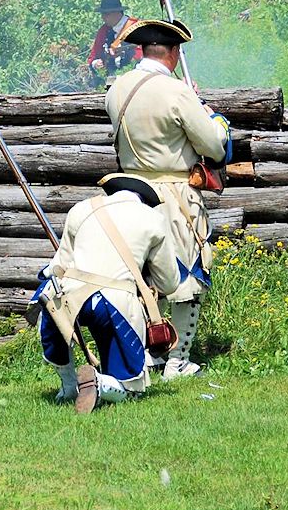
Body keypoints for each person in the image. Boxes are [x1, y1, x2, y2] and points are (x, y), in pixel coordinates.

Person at [105, 19, 231, 380]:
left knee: (143, 277)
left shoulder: (117, 89)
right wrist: (209, 112)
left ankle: (148, 354)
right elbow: (214, 145)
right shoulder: (177, 92)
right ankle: (177, 359)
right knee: (189, 276)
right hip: (173, 196)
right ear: (173, 53)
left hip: (129, 193)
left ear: (143, 51)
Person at [32, 174, 179, 412]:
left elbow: (58, 266)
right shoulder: (153, 219)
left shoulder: (81, 209)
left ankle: (68, 386)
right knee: (131, 387)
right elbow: (169, 282)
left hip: (69, 299)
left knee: (50, 303)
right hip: (116, 303)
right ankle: (100, 382)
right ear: (144, 199)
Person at [87, 0, 139, 86]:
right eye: (102, 14)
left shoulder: (136, 28)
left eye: (106, 14)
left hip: (134, 81)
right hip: (109, 82)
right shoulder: (103, 31)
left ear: (117, 12)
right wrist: (96, 64)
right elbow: (93, 56)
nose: (103, 17)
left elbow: (142, 57)